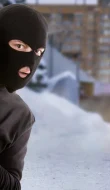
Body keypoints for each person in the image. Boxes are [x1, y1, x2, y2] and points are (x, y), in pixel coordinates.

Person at [0, 4, 47, 190]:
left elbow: (12, 184)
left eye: (38, 52)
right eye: (20, 46)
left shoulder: (19, 115)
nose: (29, 62)